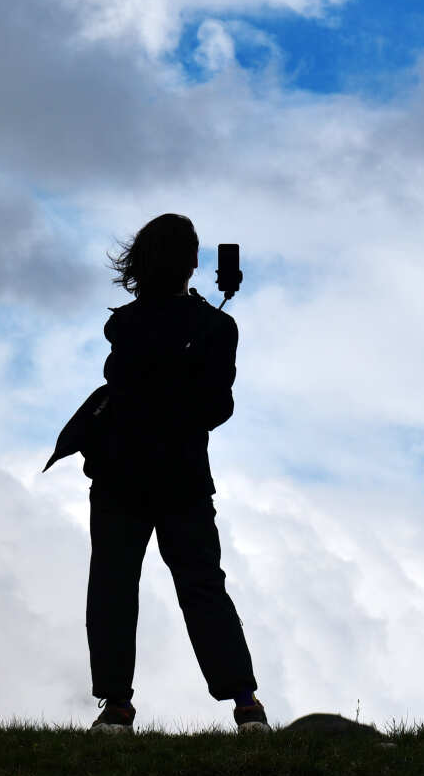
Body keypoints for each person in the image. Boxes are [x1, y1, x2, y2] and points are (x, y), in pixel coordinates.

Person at [48, 213, 269, 735]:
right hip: (183, 477)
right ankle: (246, 704)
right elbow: (218, 408)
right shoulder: (217, 327)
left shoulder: (124, 325)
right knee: (202, 586)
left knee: (113, 587)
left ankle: (117, 708)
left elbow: (121, 386)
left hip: (120, 474)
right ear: (193, 262)